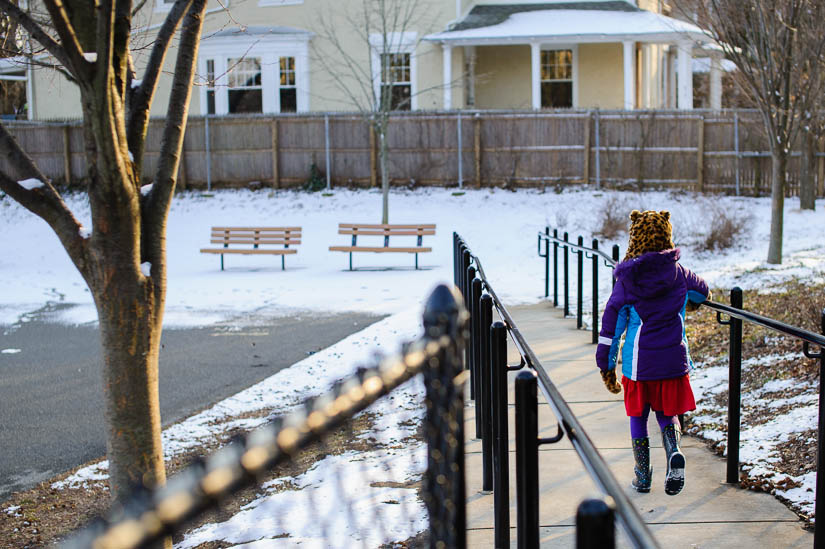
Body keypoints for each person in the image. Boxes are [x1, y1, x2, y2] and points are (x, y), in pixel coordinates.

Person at [596, 210, 710, 496]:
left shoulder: (626, 282)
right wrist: (688, 301)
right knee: (667, 413)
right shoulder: (679, 274)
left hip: (639, 366)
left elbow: (611, 327)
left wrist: (606, 364)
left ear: (634, 238)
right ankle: (674, 451)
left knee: (638, 417)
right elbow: (702, 291)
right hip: (672, 362)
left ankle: (643, 475)